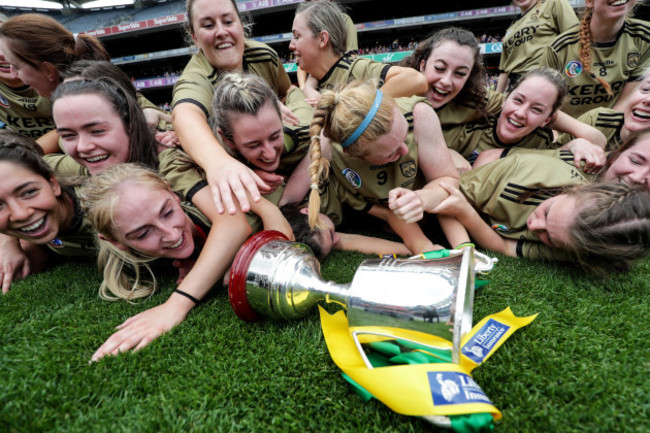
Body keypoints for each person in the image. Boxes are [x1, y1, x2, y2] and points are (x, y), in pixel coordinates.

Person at [78, 163, 291, 361]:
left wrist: (176, 304)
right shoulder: (134, 267)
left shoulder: (204, 197)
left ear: (173, 193)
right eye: (143, 234)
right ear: (116, 242)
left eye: (168, 213)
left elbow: (238, 227)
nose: (170, 234)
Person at [390, 152, 650, 272]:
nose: (535, 227)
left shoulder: (585, 249)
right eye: (547, 213)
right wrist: (465, 242)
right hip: (451, 180)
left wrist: (466, 215)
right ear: (574, 190)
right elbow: (447, 192)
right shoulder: (523, 173)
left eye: (550, 238)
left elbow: (504, 248)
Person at [172, 0, 294, 216]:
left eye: (228, 21)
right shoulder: (196, 77)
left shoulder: (265, 56)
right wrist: (220, 164)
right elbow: (186, 114)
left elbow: (287, 93)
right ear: (194, 36)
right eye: (208, 26)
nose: (221, 32)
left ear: (241, 23)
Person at [306, 80, 458, 254]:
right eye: (391, 153)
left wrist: (421, 198)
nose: (406, 150)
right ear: (353, 154)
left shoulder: (419, 115)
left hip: (436, 215)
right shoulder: (331, 154)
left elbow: (449, 179)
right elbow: (385, 213)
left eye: (404, 135)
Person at [400, 27, 607, 152]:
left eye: (460, 73)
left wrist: (572, 146)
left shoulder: (478, 99)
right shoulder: (394, 89)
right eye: (439, 68)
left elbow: (593, 136)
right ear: (422, 64)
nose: (446, 81)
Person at [0, 130, 96, 293]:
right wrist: (7, 242)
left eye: (29, 192)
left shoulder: (95, 178)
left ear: (53, 183)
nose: (21, 214)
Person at [0, 13, 109, 153]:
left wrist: (31, 154)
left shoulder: (74, 78)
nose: (2, 55)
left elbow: (127, 102)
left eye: (16, 66)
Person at [290, 0, 427, 102]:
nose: (291, 45)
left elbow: (416, 80)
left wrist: (359, 108)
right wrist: (307, 88)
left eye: (297, 37)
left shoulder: (354, 68)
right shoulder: (314, 83)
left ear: (322, 39)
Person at [208, 73, 312, 204]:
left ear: (282, 118)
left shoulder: (305, 126)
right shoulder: (207, 156)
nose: (270, 153)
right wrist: (246, 173)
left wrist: (308, 87)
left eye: (275, 137)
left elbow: (294, 93)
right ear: (227, 139)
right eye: (253, 145)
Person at [541, 0, 650, 117]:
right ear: (589, 2)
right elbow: (543, 106)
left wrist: (601, 132)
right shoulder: (559, 49)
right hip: (567, 132)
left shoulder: (644, 38)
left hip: (613, 127)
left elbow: (626, 100)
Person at [496, 0, 579, 93]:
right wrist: (498, 99)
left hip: (544, 79)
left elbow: (574, 38)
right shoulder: (511, 29)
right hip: (516, 87)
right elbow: (504, 71)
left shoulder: (552, 3)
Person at [296, 0, 358, 92]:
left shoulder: (343, 19)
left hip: (338, 83)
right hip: (315, 83)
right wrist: (303, 88)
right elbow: (301, 65)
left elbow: (352, 56)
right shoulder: (306, 24)